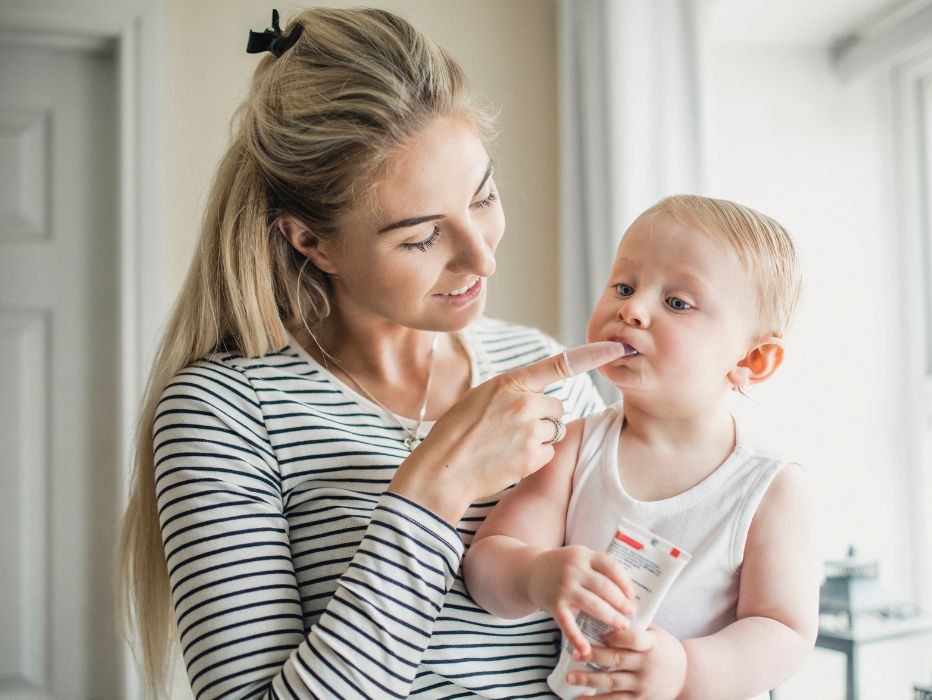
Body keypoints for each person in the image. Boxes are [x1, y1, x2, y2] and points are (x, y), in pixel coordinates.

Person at [115, 8, 629, 698]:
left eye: (484, 198)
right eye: (421, 238)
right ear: (311, 242)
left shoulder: (544, 370)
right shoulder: (225, 413)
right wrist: (436, 489)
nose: (482, 256)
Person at [464, 195, 822, 699]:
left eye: (677, 302)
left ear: (754, 360)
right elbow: (485, 566)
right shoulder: (573, 447)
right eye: (624, 286)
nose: (631, 309)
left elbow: (783, 632)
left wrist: (684, 669)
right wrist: (535, 573)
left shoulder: (770, 487)